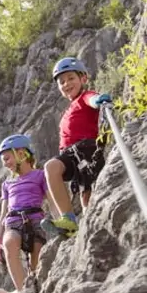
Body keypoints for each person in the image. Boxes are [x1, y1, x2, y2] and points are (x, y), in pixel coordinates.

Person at [43, 56, 114, 237]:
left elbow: (92, 99)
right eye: (62, 82)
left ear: (83, 79)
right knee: (81, 191)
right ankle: (76, 224)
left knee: (85, 196)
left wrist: (98, 101)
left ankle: (74, 222)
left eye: (71, 78)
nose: (66, 84)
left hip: (86, 150)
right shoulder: (68, 110)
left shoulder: (84, 97)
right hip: (73, 155)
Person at [0, 133, 50, 290]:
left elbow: (51, 199)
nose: (5, 164)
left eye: (7, 158)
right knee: (9, 242)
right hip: (13, 221)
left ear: (21, 154)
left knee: (36, 258)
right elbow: (2, 215)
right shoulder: (7, 184)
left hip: (35, 220)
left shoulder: (40, 176)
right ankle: (22, 291)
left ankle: (36, 286)